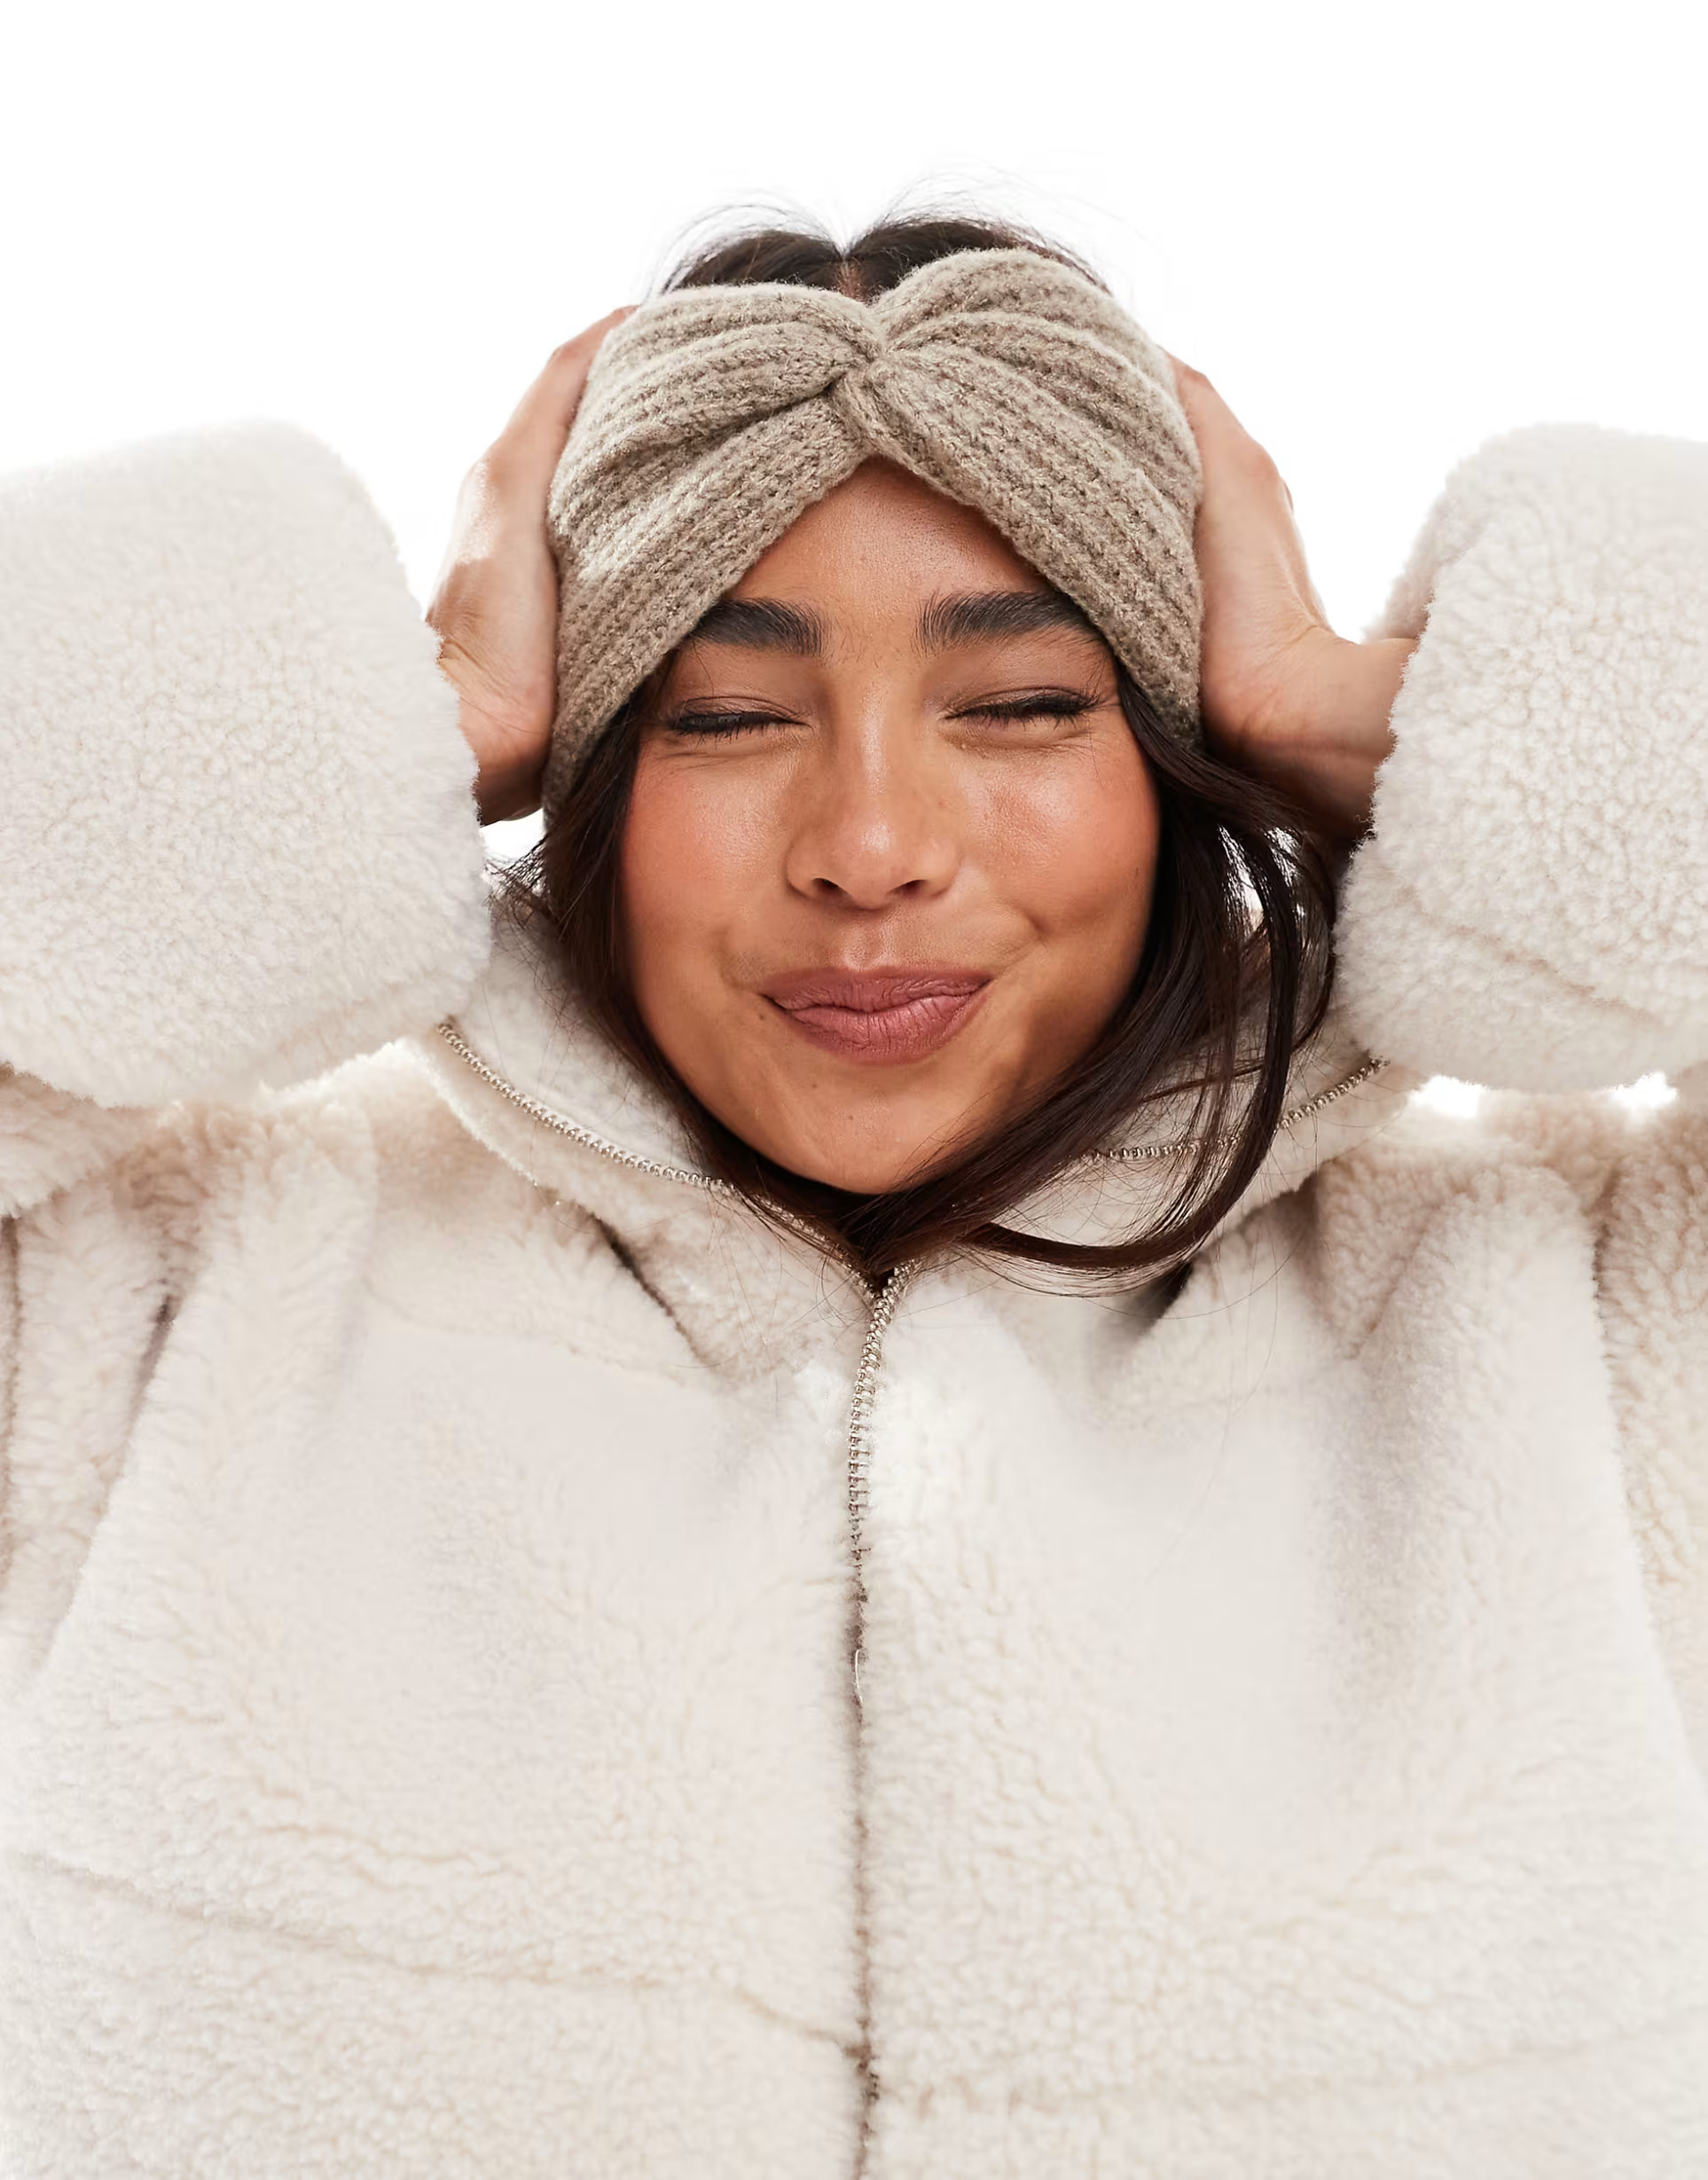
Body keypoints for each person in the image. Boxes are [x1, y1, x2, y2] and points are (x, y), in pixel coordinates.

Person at [0, 211, 1704, 2179]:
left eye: (1025, 703)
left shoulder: (1567, 1310)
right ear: (582, 774)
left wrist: (1383, 720)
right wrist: (349, 733)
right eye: (723, 715)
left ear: (1177, 761)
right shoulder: (175, 1283)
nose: (873, 843)